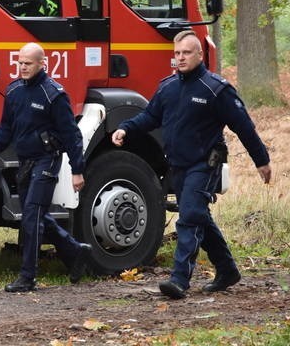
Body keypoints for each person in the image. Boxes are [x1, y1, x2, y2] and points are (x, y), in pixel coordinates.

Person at [111, 30, 271, 299]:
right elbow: (149, 117)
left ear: (199, 54)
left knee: (188, 218)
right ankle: (227, 269)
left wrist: (262, 160)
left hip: (204, 164)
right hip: (178, 165)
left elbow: (244, 127)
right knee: (199, 218)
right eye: (177, 53)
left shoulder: (216, 89)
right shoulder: (168, 87)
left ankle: (179, 279)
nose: (181, 58)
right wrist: (125, 129)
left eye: (186, 53)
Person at [0, 42, 92, 292]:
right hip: (24, 163)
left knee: (31, 216)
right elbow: (5, 128)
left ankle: (27, 277)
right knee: (39, 215)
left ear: (43, 64)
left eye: (27, 63)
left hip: (47, 161)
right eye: (19, 63)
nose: (22, 67)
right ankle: (76, 252)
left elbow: (71, 135)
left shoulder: (54, 94)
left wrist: (77, 170)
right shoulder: (13, 91)